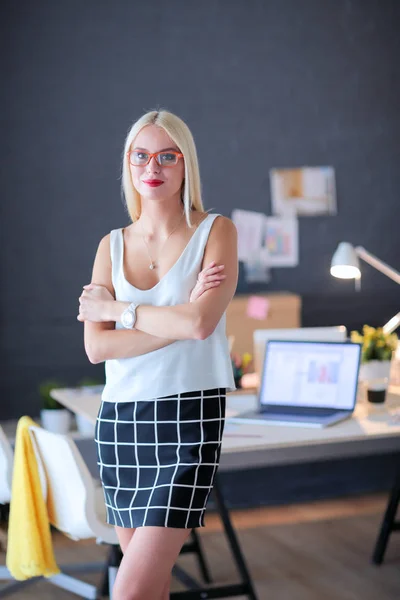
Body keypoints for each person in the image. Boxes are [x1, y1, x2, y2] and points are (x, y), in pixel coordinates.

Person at [77, 109, 238, 600]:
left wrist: (121, 309)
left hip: (190, 417)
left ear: (185, 163)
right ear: (128, 164)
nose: (154, 166)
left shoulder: (217, 232)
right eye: (141, 155)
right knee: (152, 587)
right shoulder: (110, 244)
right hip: (121, 424)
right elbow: (97, 347)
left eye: (167, 156)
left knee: (130, 591)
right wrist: (178, 320)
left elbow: (200, 323)